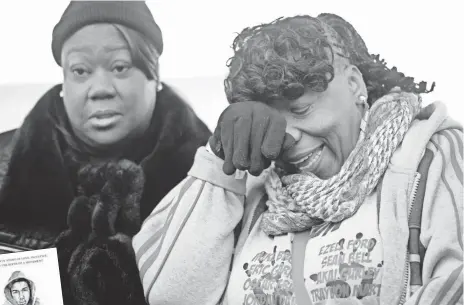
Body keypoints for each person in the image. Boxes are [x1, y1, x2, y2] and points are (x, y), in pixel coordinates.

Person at [133, 13, 463, 305]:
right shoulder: (251, 188)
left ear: (353, 83)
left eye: (301, 109)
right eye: (268, 118)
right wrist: (223, 162)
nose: (284, 136)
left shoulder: (431, 156)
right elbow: (172, 296)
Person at [0, 1, 211, 304]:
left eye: (120, 67)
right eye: (80, 70)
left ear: (155, 74)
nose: (100, 88)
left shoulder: (216, 176)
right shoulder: (5, 168)